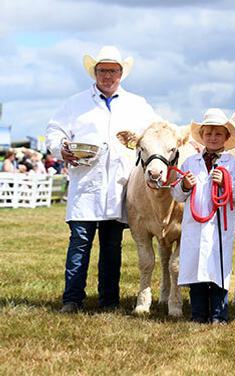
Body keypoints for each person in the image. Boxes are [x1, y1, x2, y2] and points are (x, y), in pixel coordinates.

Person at [46, 46, 157, 313]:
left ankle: (109, 300)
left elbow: (157, 131)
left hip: (119, 186)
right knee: (80, 243)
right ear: (94, 73)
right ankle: (72, 299)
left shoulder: (137, 104)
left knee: (111, 246)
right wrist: (61, 147)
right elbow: (54, 130)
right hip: (86, 184)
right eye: (102, 70)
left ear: (121, 74)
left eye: (113, 71)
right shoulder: (75, 103)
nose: (107, 75)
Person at [171, 108, 235, 324]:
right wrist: (185, 185)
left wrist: (228, 183)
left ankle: (218, 315)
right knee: (195, 270)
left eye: (218, 134)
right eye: (208, 134)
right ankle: (198, 314)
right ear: (202, 136)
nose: (213, 138)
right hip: (194, 226)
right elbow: (176, 193)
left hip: (219, 228)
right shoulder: (190, 163)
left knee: (218, 270)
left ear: (226, 137)